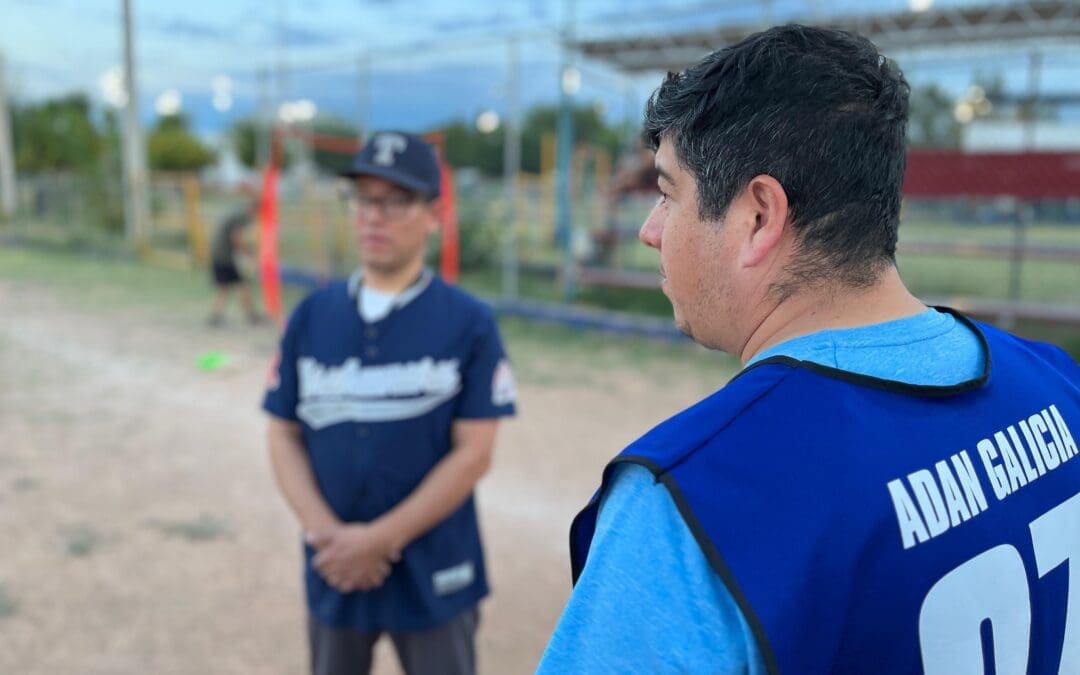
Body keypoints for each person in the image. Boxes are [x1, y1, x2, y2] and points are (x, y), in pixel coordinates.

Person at [540, 25, 1080, 674]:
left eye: (667, 192)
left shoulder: (696, 500)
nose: (652, 231)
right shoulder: (1054, 381)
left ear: (759, 217)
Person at [263, 131, 516, 675]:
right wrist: (326, 535)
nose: (373, 216)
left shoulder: (468, 323)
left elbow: (474, 454)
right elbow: (282, 430)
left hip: (436, 569)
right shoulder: (312, 317)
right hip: (333, 565)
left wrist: (378, 541)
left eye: (395, 201)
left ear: (433, 214)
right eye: (362, 199)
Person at [208, 187, 261, 326]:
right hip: (226, 256)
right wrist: (247, 253)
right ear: (255, 209)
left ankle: (217, 317)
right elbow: (236, 238)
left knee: (229, 286)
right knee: (238, 285)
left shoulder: (238, 212)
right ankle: (250, 316)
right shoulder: (242, 216)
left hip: (219, 253)